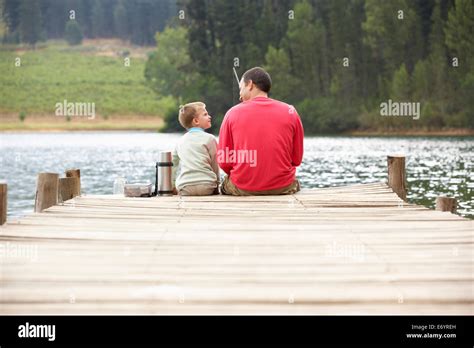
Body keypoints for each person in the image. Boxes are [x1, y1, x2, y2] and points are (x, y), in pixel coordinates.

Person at [218, 67, 304, 195]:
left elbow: (224, 161)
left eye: (241, 88)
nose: (239, 94)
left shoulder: (232, 113)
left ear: (250, 84)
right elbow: (296, 159)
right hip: (283, 187)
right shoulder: (290, 111)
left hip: (243, 187)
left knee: (222, 184)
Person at [171, 102, 220, 196]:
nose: (209, 116)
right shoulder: (210, 139)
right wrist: (217, 185)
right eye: (205, 114)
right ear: (196, 121)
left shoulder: (180, 141)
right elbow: (215, 164)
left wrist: (172, 186)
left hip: (185, 186)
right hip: (207, 186)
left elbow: (173, 164)